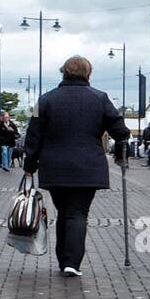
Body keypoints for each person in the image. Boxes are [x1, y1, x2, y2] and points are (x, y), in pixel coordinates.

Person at [22, 55, 129, 278]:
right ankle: (71, 262)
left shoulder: (44, 100)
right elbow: (121, 132)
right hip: (88, 166)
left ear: (64, 72)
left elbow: (33, 135)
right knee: (78, 212)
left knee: (64, 211)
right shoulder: (100, 98)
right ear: (88, 73)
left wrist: (29, 164)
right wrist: (121, 154)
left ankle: (64, 259)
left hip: (54, 166)